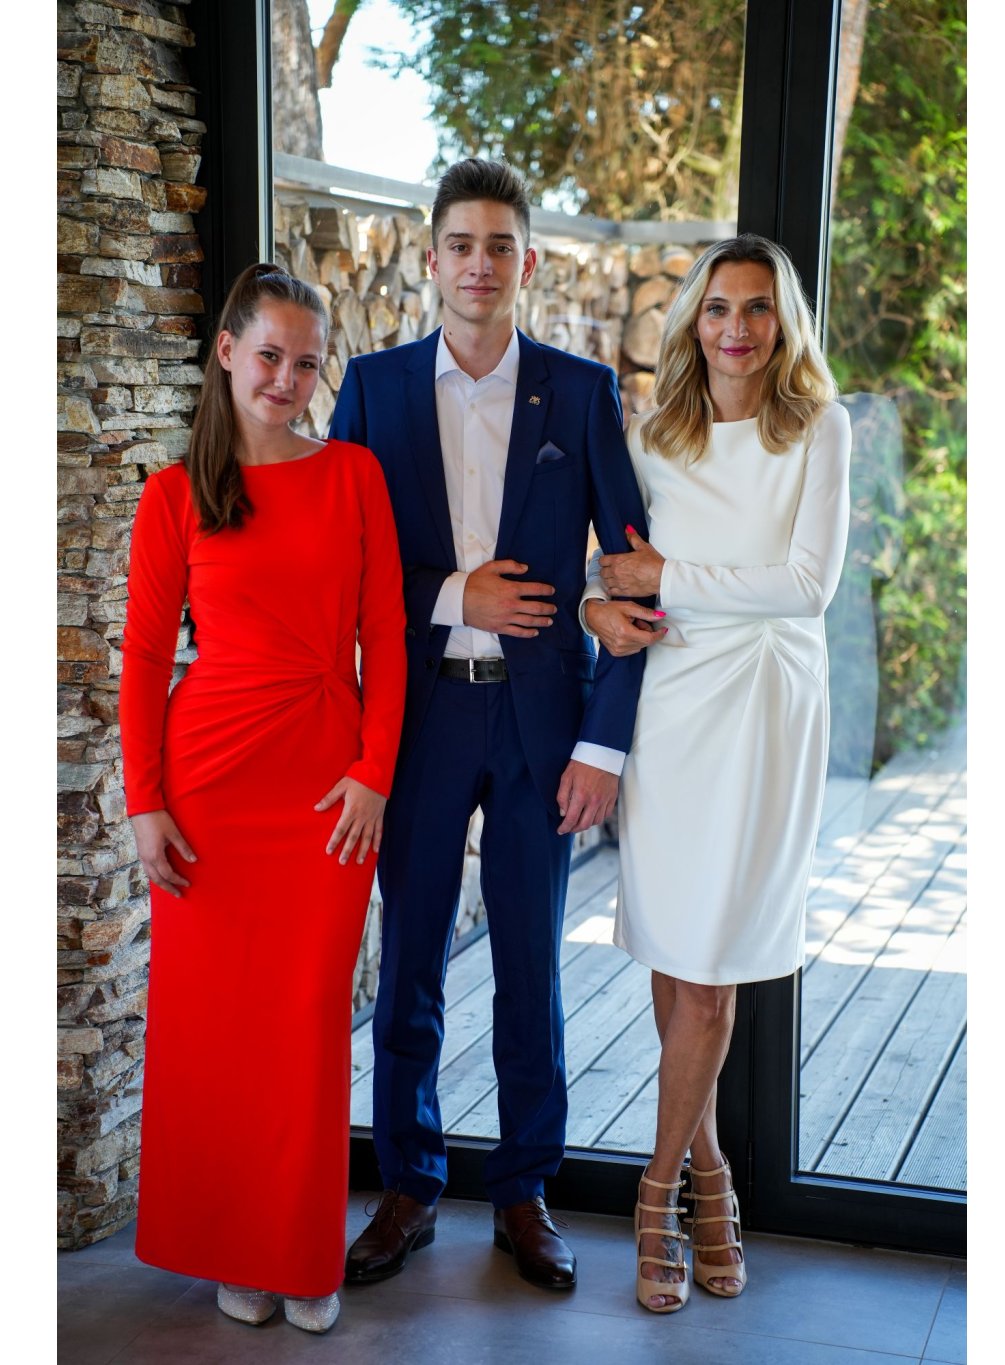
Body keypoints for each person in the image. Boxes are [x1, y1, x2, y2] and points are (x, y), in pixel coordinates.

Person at [328, 159, 654, 1291]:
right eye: (461, 244)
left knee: (529, 964)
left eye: (499, 245)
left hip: (541, 725)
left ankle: (523, 1192)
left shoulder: (582, 392)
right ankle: (408, 1184)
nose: (479, 264)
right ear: (431, 259)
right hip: (417, 720)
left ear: (527, 261)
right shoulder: (371, 390)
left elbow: (634, 580)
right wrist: (451, 595)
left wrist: (602, 745)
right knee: (411, 959)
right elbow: (336, 564)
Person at [120, 264, 407, 1333]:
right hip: (208, 792)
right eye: (271, 356)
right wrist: (144, 801)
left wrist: (374, 771)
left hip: (326, 792)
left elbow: (386, 636)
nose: (286, 379)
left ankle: (300, 1254)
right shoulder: (174, 495)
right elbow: (145, 656)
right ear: (228, 353)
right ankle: (236, 1249)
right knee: (217, 1032)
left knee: (305, 1025)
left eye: (306, 362)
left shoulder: (354, 476)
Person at [582, 234, 851, 1312]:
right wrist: (601, 604)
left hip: (764, 711)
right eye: (717, 308)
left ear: (783, 322)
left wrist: (669, 575)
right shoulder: (655, 436)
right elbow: (610, 568)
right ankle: (708, 1169)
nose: (736, 328)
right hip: (673, 709)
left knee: (711, 969)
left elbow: (807, 585)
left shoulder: (817, 428)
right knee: (674, 947)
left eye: (757, 308)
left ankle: (656, 1192)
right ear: (692, 321)